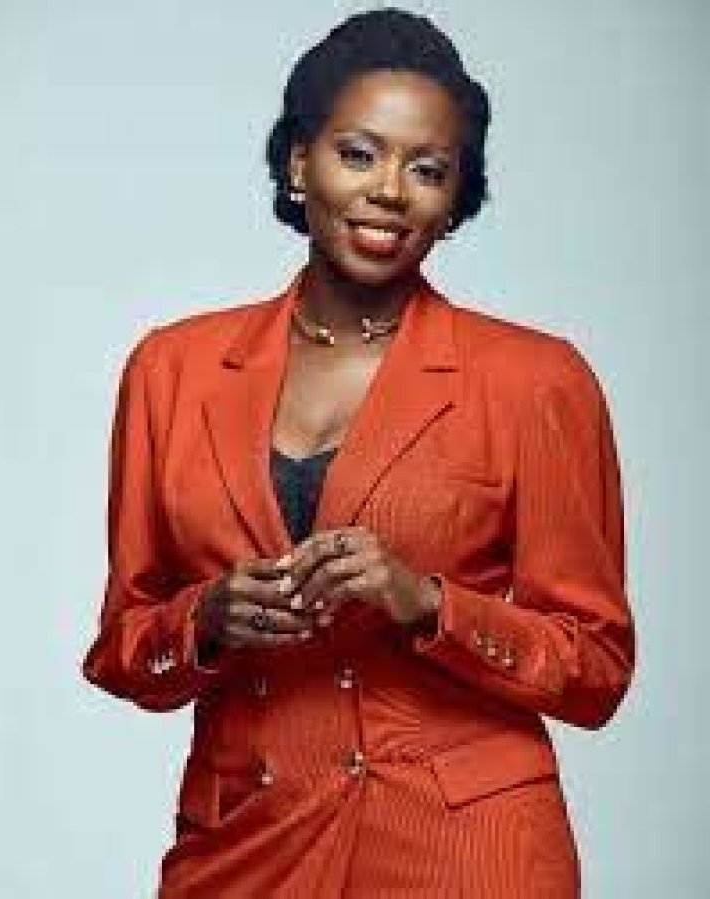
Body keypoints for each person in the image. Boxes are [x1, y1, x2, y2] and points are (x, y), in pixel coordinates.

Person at [82, 8, 635, 897]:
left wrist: (426, 601)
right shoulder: (172, 369)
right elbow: (121, 647)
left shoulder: (535, 380)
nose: (390, 190)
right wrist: (206, 618)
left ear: (454, 200)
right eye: (359, 153)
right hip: (246, 834)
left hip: (465, 848)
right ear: (300, 162)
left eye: (427, 169)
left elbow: (595, 669)